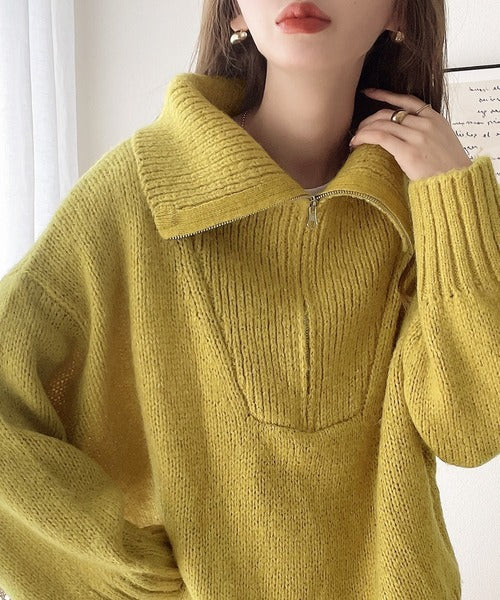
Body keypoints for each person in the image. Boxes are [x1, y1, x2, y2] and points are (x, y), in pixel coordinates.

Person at [1, 1, 499, 598]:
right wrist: (122, 573)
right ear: (235, 12)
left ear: (401, 14)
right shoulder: (143, 191)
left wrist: (452, 196)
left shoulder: (429, 202)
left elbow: (468, 430)